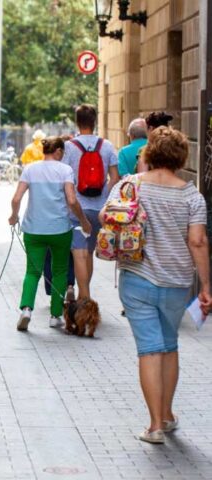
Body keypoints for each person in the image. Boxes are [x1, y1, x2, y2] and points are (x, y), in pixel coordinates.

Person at [101, 127, 211, 444]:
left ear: (149, 153)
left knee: (150, 349)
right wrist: (206, 285)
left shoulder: (129, 186)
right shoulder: (192, 195)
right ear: (180, 157)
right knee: (169, 344)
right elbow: (198, 241)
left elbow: (106, 218)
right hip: (177, 282)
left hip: (136, 277)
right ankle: (166, 414)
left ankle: (154, 427)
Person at [9, 136, 92, 331]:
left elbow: (16, 198)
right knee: (60, 271)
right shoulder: (65, 170)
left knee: (32, 271)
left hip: (33, 229)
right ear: (58, 151)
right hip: (59, 229)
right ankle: (55, 315)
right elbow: (72, 200)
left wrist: (13, 216)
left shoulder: (30, 169)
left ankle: (26, 309)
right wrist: (84, 221)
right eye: (62, 152)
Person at [62, 104, 120, 300]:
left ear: (77, 122)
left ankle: (83, 296)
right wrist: (105, 197)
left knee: (79, 253)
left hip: (76, 208)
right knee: (89, 251)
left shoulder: (69, 147)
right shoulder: (107, 145)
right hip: (99, 209)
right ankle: (85, 294)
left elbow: (64, 177)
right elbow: (115, 177)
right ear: (95, 121)